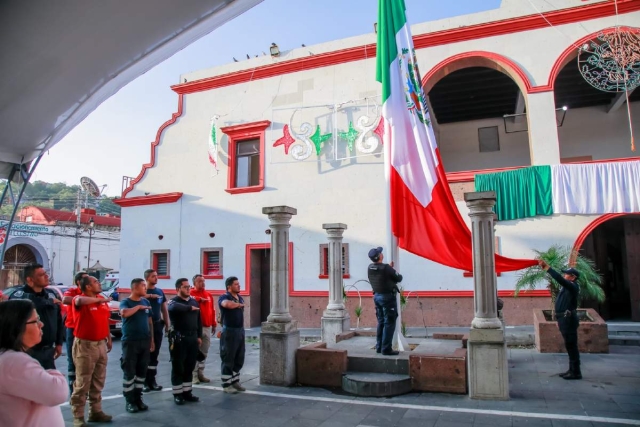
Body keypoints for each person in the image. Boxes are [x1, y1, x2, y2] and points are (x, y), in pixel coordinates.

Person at [0, 300, 68, 427]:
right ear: (17, 327)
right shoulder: (14, 362)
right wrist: (53, 373)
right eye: (35, 321)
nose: (41, 324)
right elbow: (57, 393)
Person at [70, 276, 113, 427]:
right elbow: (78, 302)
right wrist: (100, 300)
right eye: (96, 282)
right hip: (85, 346)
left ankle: (96, 411)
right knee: (83, 382)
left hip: (100, 343)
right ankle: (78, 416)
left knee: (98, 380)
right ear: (87, 287)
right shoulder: (80, 298)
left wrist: (108, 337)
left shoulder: (100, 299)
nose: (99, 283)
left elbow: (105, 319)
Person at [9, 263, 63, 369]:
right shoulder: (20, 294)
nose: (46, 276)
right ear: (30, 280)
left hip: (47, 351)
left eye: (46, 273)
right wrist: (50, 302)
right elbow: (30, 302)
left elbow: (58, 320)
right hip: (28, 350)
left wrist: (59, 343)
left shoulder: (50, 294)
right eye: (41, 275)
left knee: (48, 382)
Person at [538, 260, 582, 380]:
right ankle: (572, 369)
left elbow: (560, 279)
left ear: (573, 277)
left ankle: (576, 372)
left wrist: (548, 268)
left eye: (566, 274)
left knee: (571, 345)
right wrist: (558, 319)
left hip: (569, 320)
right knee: (569, 345)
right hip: (564, 319)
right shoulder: (567, 287)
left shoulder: (572, 286)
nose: (564, 275)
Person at [119, 278, 154, 413]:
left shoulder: (146, 301)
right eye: (143, 286)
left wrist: (152, 340)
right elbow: (124, 313)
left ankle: (138, 398)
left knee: (141, 372)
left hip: (144, 341)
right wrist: (138, 307)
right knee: (130, 372)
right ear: (134, 288)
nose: (146, 288)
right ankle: (130, 401)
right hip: (130, 342)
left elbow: (150, 322)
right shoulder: (126, 302)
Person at [168, 278, 201, 405]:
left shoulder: (194, 301)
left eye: (189, 286)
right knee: (178, 366)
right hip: (178, 338)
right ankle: (178, 394)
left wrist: (199, 336)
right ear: (178, 289)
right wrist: (189, 308)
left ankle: (187, 392)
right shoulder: (174, 301)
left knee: (189, 366)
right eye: (185, 287)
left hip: (192, 338)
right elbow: (172, 308)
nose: (188, 289)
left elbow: (199, 320)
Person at [367, 247, 403, 356]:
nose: (382, 253)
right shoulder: (386, 268)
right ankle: (386, 348)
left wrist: (389, 269)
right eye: (380, 253)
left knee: (381, 321)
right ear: (379, 256)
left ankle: (379, 346)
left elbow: (381, 275)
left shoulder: (370, 267)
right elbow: (399, 278)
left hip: (377, 297)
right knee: (389, 322)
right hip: (387, 298)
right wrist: (392, 270)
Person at [143, 268, 170, 392]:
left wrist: (167, 324)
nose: (156, 278)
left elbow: (164, 308)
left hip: (158, 324)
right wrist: (149, 295)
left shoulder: (160, 291)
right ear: (147, 278)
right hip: (145, 326)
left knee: (155, 354)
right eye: (153, 276)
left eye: (157, 275)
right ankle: (143, 381)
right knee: (145, 354)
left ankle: (152, 380)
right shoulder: (142, 291)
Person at [218, 276, 246, 394]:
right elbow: (226, 305)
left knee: (239, 357)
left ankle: (235, 381)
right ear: (229, 286)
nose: (239, 286)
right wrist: (239, 305)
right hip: (229, 332)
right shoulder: (224, 297)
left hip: (240, 331)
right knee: (228, 357)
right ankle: (226, 384)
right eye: (236, 284)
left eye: (238, 284)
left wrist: (239, 303)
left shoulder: (239, 297)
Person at [62, 271, 88, 393]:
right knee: (72, 358)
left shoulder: (90, 292)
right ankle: (73, 387)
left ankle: (85, 387)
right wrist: (82, 300)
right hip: (73, 329)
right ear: (79, 282)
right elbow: (65, 299)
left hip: (86, 329)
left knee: (86, 359)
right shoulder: (72, 292)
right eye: (85, 279)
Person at [190, 274, 217, 384]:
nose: (203, 283)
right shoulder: (191, 294)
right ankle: (193, 374)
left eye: (203, 281)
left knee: (204, 352)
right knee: (195, 351)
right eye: (200, 281)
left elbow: (212, 310)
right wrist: (198, 299)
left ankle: (201, 373)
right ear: (194, 283)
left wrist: (214, 323)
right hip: (196, 328)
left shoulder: (208, 295)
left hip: (207, 326)